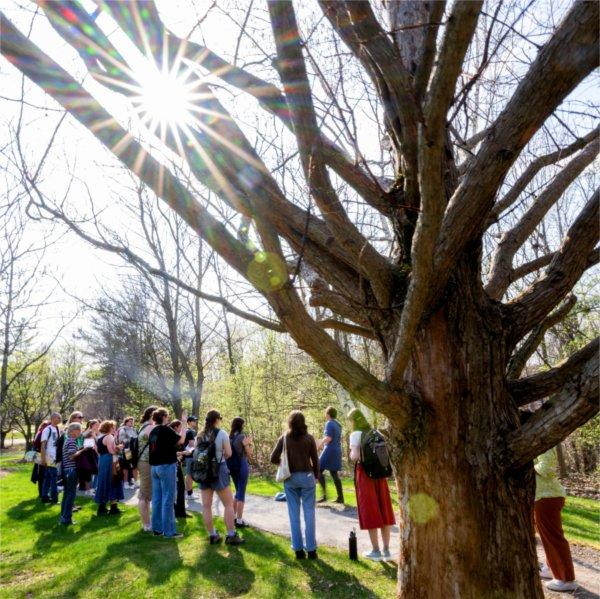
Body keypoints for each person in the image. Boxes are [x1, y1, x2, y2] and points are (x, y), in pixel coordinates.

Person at [348, 408, 395, 562]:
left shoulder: (355, 435)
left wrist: (351, 453)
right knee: (384, 508)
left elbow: (355, 456)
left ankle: (376, 550)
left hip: (365, 474)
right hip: (380, 475)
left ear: (354, 421)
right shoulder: (376, 433)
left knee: (370, 509)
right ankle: (387, 550)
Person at [270, 410, 319, 560]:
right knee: (309, 514)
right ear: (303, 422)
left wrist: (283, 465)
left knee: (294, 515)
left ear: (290, 422)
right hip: (307, 477)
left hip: (290, 479)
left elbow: (273, 458)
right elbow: (316, 460)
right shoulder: (309, 438)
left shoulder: (284, 438)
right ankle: (311, 550)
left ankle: (298, 550)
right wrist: (316, 476)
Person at [197, 409, 245, 546]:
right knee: (228, 504)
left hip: (203, 472)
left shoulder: (199, 435)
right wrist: (221, 453)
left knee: (206, 506)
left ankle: (212, 534)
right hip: (219, 470)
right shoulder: (221, 433)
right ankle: (231, 535)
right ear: (217, 420)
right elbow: (229, 453)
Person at [535, 448, 577, 593]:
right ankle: (551, 568)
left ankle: (566, 579)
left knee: (553, 537)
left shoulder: (541, 440)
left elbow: (547, 467)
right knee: (546, 536)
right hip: (542, 496)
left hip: (547, 496)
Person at [148, 408, 185, 538]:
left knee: (157, 499)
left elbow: (161, 448)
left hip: (154, 467)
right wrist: (184, 423)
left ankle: (157, 529)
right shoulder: (165, 429)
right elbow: (180, 441)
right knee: (168, 499)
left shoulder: (153, 431)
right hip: (166, 466)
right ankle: (169, 532)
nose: (168, 418)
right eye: (167, 416)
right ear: (163, 417)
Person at [94, 420, 125, 516]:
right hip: (110, 461)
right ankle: (113, 508)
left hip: (103, 460)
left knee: (104, 482)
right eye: (113, 427)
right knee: (113, 481)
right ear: (109, 428)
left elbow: (96, 449)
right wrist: (120, 447)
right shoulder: (109, 436)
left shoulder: (100, 437)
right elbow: (112, 451)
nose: (114, 429)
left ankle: (102, 508)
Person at [227, 417, 252, 528]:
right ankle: (239, 520)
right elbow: (249, 453)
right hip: (241, 465)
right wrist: (248, 444)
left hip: (232, 467)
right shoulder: (242, 436)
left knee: (237, 491)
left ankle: (233, 517)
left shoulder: (229, 437)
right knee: (241, 492)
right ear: (241, 425)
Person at [316, 406, 344, 504]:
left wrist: (319, 444)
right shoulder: (338, 424)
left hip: (329, 449)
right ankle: (341, 498)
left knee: (318, 469)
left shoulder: (329, 423)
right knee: (334, 473)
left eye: (325, 413)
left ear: (328, 414)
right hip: (337, 450)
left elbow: (328, 438)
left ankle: (324, 496)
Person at [60, 423, 86, 525]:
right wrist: (83, 450)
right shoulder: (71, 441)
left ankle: (63, 517)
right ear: (73, 431)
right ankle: (67, 518)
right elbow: (71, 456)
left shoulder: (68, 440)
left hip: (67, 470)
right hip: (71, 470)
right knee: (70, 495)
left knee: (67, 494)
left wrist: (79, 449)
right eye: (79, 430)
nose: (80, 432)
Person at [136, 406, 157, 532]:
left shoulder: (143, 426)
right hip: (146, 462)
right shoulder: (150, 427)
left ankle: (147, 522)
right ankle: (146, 524)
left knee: (147, 494)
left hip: (142, 461)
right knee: (144, 494)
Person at [169, 419, 191, 519]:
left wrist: (184, 452)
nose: (181, 429)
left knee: (181, 488)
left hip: (178, 464)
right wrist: (182, 453)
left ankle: (181, 511)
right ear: (175, 427)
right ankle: (176, 511)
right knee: (176, 489)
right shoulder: (171, 437)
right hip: (172, 465)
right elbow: (171, 452)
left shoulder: (176, 437)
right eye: (180, 427)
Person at [40, 413, 62, 504]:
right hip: (49, 457)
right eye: (58, 417)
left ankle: (44, 496)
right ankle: (54, 498)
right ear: (53, 418)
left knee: (48, 477)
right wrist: (43, 459)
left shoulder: (57, 429)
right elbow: (43, 445)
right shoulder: (47, 429)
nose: (60, 419)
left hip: (55, 457)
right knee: (54, 477)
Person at [77, 419, 99, 495]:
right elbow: (89, 444)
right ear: (92, 425)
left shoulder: (92, 432)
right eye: (96, 425)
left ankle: (89, 488)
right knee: (88, 472)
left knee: (90, 472)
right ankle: (88, 490)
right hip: (88, 454)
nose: (98, 426)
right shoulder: (90, 433)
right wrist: (97, 452)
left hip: (90, 453)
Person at [31, 420, 50, 498]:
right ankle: (42, 493)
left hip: (40, 455)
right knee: (42, 475)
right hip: (40, 455)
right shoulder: (42, 433)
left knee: (42, 475)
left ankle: (43, 493)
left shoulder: (40, 432)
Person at [117, 417, 137, 488]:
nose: (132, 423)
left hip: (134, 450)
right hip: (127, 450)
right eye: (130, 421)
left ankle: (134, 481)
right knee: (126, 466)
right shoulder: (123, 429)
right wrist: (130, 440)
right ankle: (125, 482)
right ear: (126, 422)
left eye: (132, 421)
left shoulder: (134, 430)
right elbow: (121, 441)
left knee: (133, 466)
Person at [183, 416, 198, 500]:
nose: (195, 422)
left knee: (188, 475)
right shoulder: (190, 432)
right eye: (193, 421)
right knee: (189, 475)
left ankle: (188, 492)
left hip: (188, 456)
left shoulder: (188, 431)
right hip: (190, 456)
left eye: (195, 420)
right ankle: (189, 494)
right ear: (188, 422)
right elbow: (192, 445)